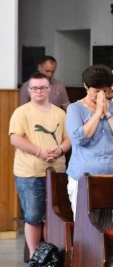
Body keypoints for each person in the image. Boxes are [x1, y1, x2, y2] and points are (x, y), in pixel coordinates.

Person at [9, 72, 71, 256]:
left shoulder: (60, 113)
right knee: (34, 217)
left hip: (57, 171)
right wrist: (39, 152)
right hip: (29, 173)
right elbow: (15, 139)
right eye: (34, 88)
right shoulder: (21, 112)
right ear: (29, 90)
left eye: (42, 87)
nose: (39, 91)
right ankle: (37, 259)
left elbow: (69, 139)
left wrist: (59, 150)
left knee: (54, 217)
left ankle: (52, 257)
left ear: (49, 89)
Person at [66, 65, 113, 216]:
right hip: (83, 176)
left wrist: (107, 113)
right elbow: (80, 138)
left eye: (105, 90)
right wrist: (98, 112)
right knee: (85, 222)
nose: (101, 95)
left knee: (110, 222)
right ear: (86, 86)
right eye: (96, 90)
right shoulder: (75, 108)